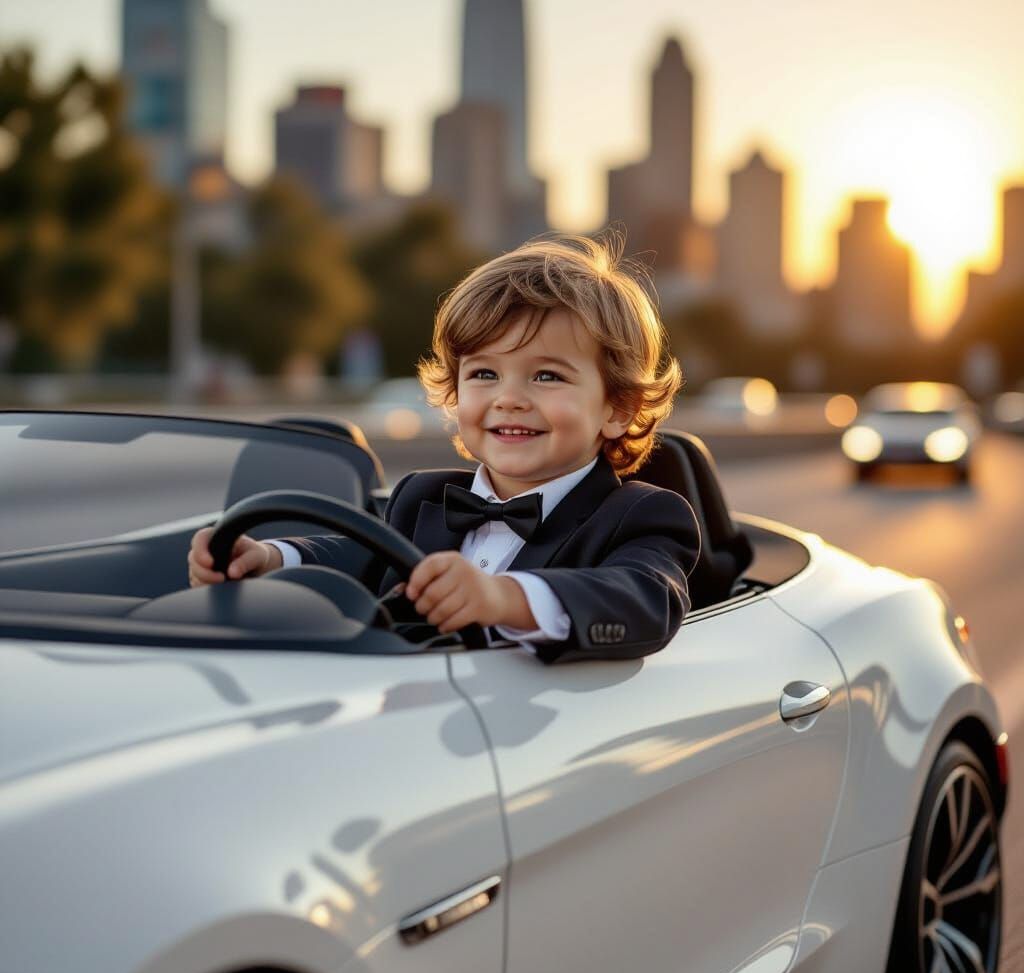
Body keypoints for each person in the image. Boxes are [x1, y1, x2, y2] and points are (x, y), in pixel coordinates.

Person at [187, 233, 700, 663]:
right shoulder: (421, 496)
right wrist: (274, 559)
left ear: (618, 408)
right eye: (484, 374)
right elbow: (364, 558)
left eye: (547, 375)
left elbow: (645, 600)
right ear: (454, 392)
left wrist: (502, 598)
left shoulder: (645, 515)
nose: (509, 399)